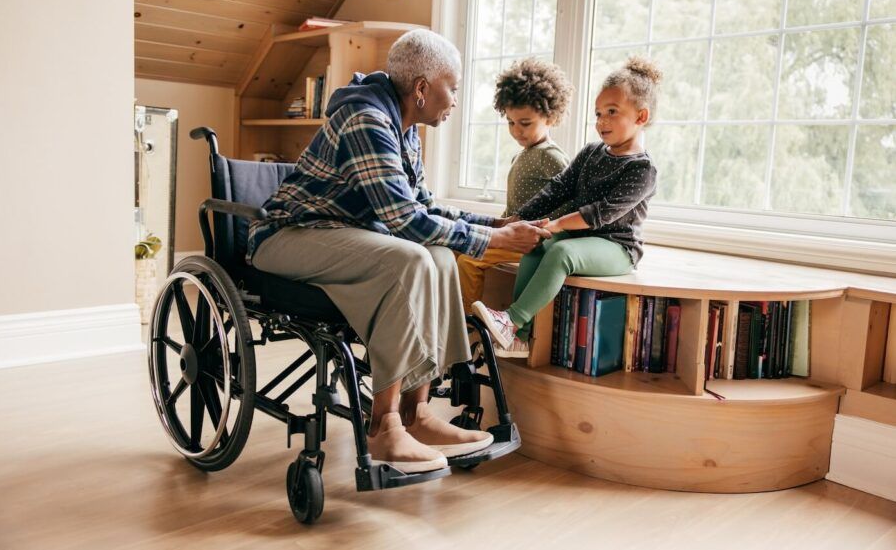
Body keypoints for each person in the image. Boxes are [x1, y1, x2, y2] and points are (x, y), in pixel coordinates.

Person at [248, 29, 551, 473]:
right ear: (423, 89)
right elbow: (402, 221)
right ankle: (384, 425)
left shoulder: (405, 130)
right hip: (287, 237)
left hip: (342, 235)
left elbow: (423, 208)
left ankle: (417, 411)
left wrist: (494, 225)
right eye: (454, 88)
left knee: (443, 256)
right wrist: (495, 242)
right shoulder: (367, 119)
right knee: (408, 257)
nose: (455, 101)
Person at [472, 56, 663, 358]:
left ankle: (513, 320)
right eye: (598, 113)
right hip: (582, 238)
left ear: (641, 117)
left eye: (612, 112)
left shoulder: (642, 169)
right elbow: (558, 188)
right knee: (537, 242)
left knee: (561, 252)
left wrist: (558, 225)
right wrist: (520, 218)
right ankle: (518, 338)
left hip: (617, 247)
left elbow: (603, 213)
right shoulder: (591, 153)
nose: (601, 121)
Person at [456, 58, 575, 335]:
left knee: (469, 260)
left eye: (525, 123)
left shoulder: (552, 157)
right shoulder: (523, 154)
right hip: (514, 233)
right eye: (510, 122)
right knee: (458, 250)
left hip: (533, 241)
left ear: (551, 117)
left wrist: (548, 231)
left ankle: (469, 327)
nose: (516, 131)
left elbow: (572, 199)